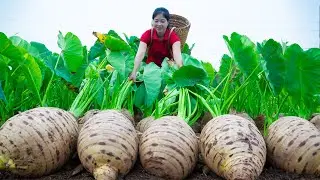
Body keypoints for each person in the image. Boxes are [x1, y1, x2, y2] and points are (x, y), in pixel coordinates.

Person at [129, 7, 184, 81]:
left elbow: (177, 55)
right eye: (156, 21)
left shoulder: (173, 36)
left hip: (167, 68)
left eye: (162, 21)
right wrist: (134, 72)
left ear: (167, 22)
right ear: (152, 21)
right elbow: (140, 53)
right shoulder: (147, 34)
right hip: (151, 69)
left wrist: (182, 72)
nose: (159, 24)